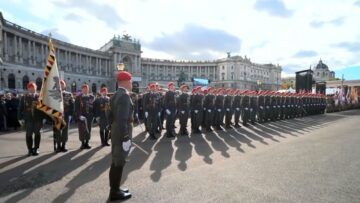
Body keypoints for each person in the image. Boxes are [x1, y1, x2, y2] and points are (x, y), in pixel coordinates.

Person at [108, 70, 133, 201]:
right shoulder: (124, 96)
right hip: (122, 131)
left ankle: (115, 188)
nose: (132, 83)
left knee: (115, 160)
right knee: (119, 161)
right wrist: (125, 137)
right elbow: (123, 119)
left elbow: (110, 115)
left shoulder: (115, 95)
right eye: (131, 81)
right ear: (126, 82)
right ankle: (114, 192)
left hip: (116, 130)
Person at [18, 82, 44, 156]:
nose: (32, 89)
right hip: (28, 119)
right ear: (28, 89)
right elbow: (20, 109)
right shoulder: (24, 97)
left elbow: (43, 109)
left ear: (36, 88)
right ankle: (29, 149)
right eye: (30, 88)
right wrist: (20, 118)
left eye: (33, 88)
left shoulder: (39, 97)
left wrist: (44, 118)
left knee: (37, 134)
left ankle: (36, 148)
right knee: (28, 135)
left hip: (38, 119)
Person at [53, 80, 74, 152]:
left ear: (64, 86)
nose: (61, 86)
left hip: (66, 115)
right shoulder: (54, 94)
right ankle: (58, 146)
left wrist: (71, 114)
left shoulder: (69, 94)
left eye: (62, 85)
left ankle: (63, 145)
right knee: (58, 130)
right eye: (60, 85)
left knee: (65, 130)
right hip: (57, 115)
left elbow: (72, 105)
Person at [75, 84, 95, 149]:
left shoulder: (91, 97)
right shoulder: (78, 97)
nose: (85, 90)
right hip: (82, 116)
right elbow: (76, 108)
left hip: (89, 116)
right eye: (84, 89)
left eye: (86, 89)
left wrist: (93, 115)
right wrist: (79, 115)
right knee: (82, 130)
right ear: (82, 90)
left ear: (88, 89)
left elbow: (94, 107)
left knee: (88, 129)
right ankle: (82, 143)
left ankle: (87, 142)